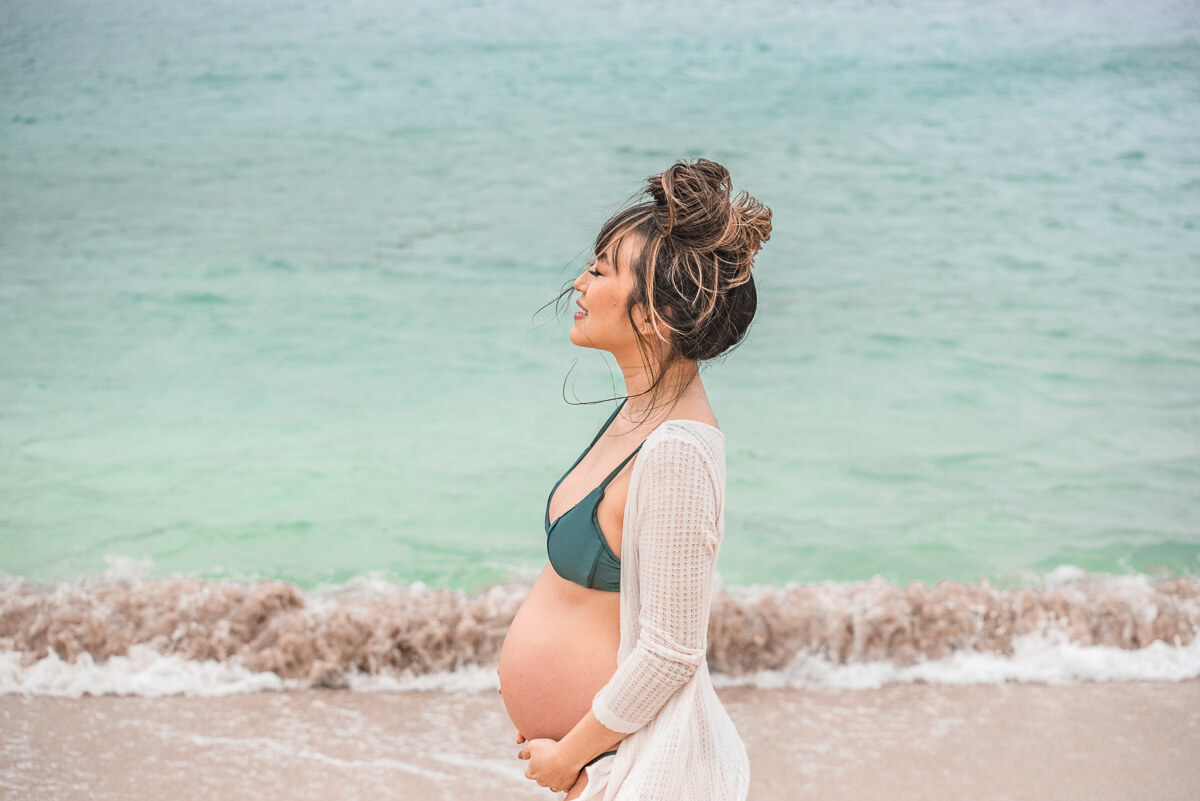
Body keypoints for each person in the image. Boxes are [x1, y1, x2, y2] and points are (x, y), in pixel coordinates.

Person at [497, 158, 772, 801]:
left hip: (633, 773)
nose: (580, 283)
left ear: (653, 318)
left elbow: (672, 652)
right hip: (599, 770)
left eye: (599, 271)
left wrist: (569, 756)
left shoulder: (676, 452)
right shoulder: (639, 412)